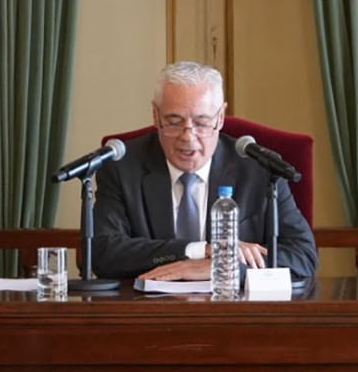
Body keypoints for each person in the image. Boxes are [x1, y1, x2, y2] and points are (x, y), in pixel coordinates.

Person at [92, 61, 318, 280]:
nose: (188, 136)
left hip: (236, 312)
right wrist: (196, 251)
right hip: (150, 311)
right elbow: (101, 253)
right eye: (174, 121)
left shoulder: (259, 169)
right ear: (155, 115)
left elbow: (303, 256)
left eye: (201, 123)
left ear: (220, 118)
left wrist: (225, 269)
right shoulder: (122, 167)